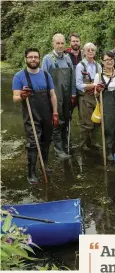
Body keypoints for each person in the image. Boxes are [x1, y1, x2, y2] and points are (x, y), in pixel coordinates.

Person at [12, 48, 59, 184]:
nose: (33, 59)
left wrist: (55, 113)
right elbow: (15, 97)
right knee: (33, 143)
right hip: (31, 116)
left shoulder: (45, 75)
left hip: (47, 114)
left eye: (36, 57)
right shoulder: (19, 76)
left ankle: (44, 164)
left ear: (39, 59)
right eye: (30, 57)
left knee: (46, 140)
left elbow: (52, 95)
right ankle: (31, 173)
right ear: (25, 59)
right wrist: (21, 95)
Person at [42, 33, 75, 160]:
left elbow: (71, 78)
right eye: (58, 43)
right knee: (57, 122)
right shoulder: (47, 59)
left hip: (67, 96)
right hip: (54, 96)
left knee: (66, 120)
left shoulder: (67, 59)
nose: (60, 46)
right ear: (53, 43)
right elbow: (44, 79)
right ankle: (58, 150)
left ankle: (65, 146)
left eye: (62, 43)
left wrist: (73, 94)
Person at [75, 42, 102, 151]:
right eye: (88, 50)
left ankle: (94, 142)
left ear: (95, 52)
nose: (90, 51)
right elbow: (78, 84)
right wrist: (91, 86)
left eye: (93, 50)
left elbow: (101, 80)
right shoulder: (80, 66)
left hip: (97, 96)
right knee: (86, 123)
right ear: (84, 52)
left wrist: (97, 89)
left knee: (97, 121)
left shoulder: (98, 65)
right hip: (85, 97)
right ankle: (83, 144)